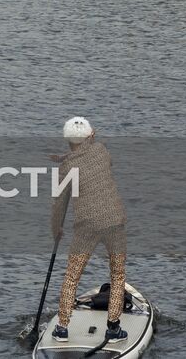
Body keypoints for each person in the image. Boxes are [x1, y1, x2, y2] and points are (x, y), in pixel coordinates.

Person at [50, 117, 129, 346]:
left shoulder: (65, 168)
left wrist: (56, 229)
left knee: (72, 276)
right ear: (90, 136)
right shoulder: (102, 151)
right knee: (117, 275)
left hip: (86, 227)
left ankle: (62, 328)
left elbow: (59, 204)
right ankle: (113, 328)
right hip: (114, 221)